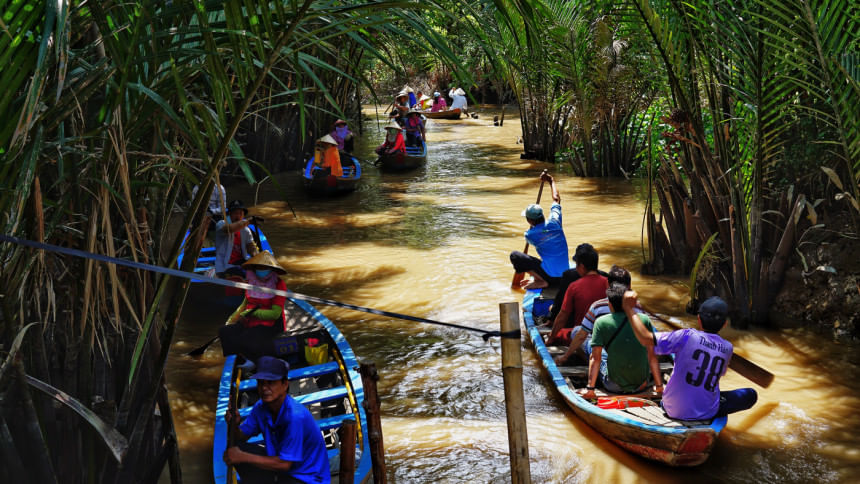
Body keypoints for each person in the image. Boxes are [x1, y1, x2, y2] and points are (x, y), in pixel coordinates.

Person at [622, 293, 758, 420]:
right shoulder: (728, 348)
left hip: (672, 409)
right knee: (751, 395)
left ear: (699, 319)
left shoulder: (685, 336)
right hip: (706, 412)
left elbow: (646, 339)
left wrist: (629, 309)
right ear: (724, 324)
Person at [224, 356, 331, 484]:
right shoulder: (261, 407)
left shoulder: (294, 416)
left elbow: (284, 464)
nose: (264, 388)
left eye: (271, 382)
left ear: (285, 384)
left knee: (242, 455)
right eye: (261, 383)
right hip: (283, 469)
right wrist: (234, 424)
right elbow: (241, 437)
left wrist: (243, 457)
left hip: (307, 478)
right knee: (237, 447)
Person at [580, 283, 664, 399]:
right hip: (642, 384)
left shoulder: (601, 322)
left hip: (613, 386)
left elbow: (595, 358)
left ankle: (591, 386)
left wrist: (590, 390)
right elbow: (652, 356)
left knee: (592, 348)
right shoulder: (644, 319)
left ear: (610, 304)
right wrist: (659, 386)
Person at [553, 265, 644, 366]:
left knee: (577, 331)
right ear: (630, 285)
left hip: (607, 356)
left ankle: (589, 361)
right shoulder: (638, 306)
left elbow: (581, 335)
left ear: (608, 285)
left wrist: (565, 356)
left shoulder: (598, 306)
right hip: (630, 352)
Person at [219, 251, 288, 362]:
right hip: (249, 320)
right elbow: (245, 303)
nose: (261, 270)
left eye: (264, 267)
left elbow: (275, 314)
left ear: (271, 269)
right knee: (224, 331)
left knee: (246, 337)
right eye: (258, 267)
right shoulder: (251, 282)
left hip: (271, 324)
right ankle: (235, 360)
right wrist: (232, 319)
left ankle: (251, 361)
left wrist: (252, 312)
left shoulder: (278, 284)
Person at [509, 172, 569, 290]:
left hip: (550, 278)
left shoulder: (530, 235)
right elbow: (556, 199)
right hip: (564, 277)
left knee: (515, 256)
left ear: (529, 220)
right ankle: (538, 278)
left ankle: (541, 280)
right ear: (542, 215)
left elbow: (537, 247)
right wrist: (551, 180)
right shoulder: (555, 221)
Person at [545, 244, 607, 345]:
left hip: (582, 334)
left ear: (581, 266)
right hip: (604, 333)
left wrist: (551, 338)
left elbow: (563, 315)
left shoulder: (574, 286)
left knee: (559, 333)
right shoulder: (608, 281)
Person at [215, 200, 259, 278]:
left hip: (242, 263)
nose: (238, 216)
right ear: (230, 215)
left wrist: (257, 257)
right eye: (235, 213)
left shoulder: (246, 230)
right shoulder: (221, 224)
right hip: (225, 267)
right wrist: (248, 221)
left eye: (240, 213)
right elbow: (229, 229)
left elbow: (251, 246)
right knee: (245, 275)